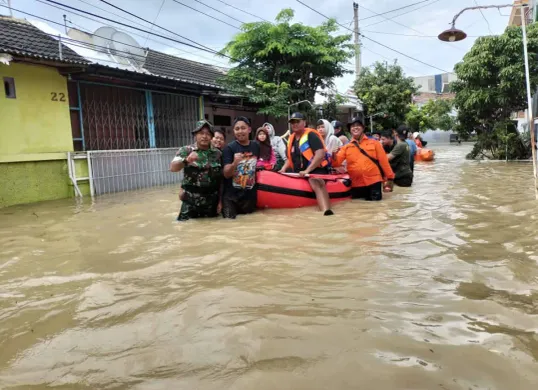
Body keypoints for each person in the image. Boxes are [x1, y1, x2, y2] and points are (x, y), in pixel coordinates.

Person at [279, 112, 334, 215]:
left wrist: (308, 170)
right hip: (298, 171)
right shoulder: (291, 139)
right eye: (292, 122)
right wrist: (283, 169)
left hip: (315, 169)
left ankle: (326, 211)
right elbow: (288, 159)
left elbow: (320, 154)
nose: (294, 124)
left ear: (304, 122)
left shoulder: (311, 135)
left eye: (297, 121)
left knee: (316, 182)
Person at [170, 120, 222, 221]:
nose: (204, 136)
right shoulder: (186, 150)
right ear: (195, 135)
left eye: (208, 134)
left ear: (211, 137)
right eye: (201, 133)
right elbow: (173, 167)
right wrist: (187, 160)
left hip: (211, 201)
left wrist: (220, 200)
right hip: (190, 201)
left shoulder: (217, 154)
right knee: (185, 229)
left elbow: (220, 179)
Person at [332, 117, 394, 201]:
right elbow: (336, 163)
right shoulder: (346, 147)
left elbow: (384, 162)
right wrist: (333, 154)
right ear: (350, 129)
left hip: (374, 181)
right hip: (356, 183)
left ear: (363, 128)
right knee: (359, 211)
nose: (355, 127)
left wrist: (390, 178)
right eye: (353, 126)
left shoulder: (374, 143)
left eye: (358, 125)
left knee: (376, 208)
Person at [222, 117, 260, 219]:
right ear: (234, 131)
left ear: (249, 129)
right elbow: (226, 174)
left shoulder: (256, 146)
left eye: (243, 128)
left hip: (249, 198)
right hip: (231, 198)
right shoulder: (229, 148)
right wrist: (234, 163)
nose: (240, 131)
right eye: (237, 129)